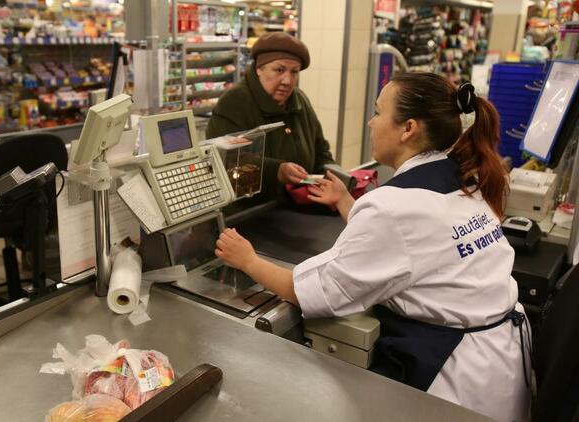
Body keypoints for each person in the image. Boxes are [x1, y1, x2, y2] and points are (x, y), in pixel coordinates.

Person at [214, 73, 531, 421]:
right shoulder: (460, 177)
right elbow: (413, 246)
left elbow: (312, 293)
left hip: (456, 380)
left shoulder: (393, 207)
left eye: (378, 112)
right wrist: (346, 202)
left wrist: (246, 259)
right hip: (500, 361)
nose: (370, 121)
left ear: (407, 128)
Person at [206, 32, 336, 202]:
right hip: (250, 212)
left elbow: (320, 148)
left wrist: (332, 171)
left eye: (294, 72)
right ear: (259, 69)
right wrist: (277, 170)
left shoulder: (300, 100)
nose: (287, 81)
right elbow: (225, 160)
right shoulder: (234, 102)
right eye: (279, 70)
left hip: (298, 204)